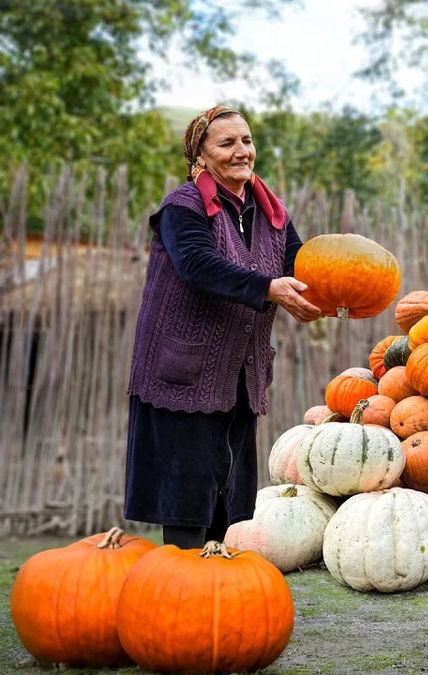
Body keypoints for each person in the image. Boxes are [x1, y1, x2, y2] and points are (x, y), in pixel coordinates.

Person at [125, 105, 322, 550]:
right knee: (185, 492)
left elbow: (300, 264)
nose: (242, 152)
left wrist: (337, 296)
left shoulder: (270, 213)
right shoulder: (183, 206)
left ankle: (215, 591)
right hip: (183, 370)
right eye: (227, 143)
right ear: (201, 154)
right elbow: (197, 265)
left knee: (225, 490)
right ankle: (180, 593)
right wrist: (269, 288)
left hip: (238, 372)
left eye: (247, 141)